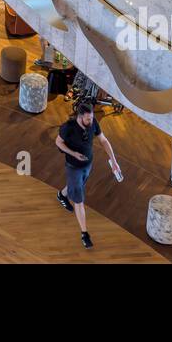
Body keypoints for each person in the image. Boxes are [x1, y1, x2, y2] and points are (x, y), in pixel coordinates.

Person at [55, 101, 119, 249]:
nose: (91, 121)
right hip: (74, 167)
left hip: (87, 165)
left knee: (75, 188)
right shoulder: (68, 128)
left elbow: (103, 140)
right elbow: (58, 142)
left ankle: (62, 195)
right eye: (88, 119)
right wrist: (73, 154)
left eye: (91, 118)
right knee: (79, 199)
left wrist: (114, 161)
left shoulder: (93, 122)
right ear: (80, 117)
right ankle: (85, 234)